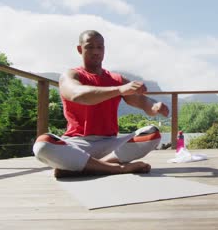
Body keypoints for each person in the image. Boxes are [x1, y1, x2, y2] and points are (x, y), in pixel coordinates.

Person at [33, 30, 169, 178]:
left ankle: (87, 166)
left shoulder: (116, 79)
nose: (96, 52)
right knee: (43, 144)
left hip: (110, 144)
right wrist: (119, 89)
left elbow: (144, 103)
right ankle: (117, 169)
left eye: (100, 47)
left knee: (152, 133)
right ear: (80, 49)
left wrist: (155, 107)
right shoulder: (70, 75)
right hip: (77, 144)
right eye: (90, 47)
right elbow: (78, 95)